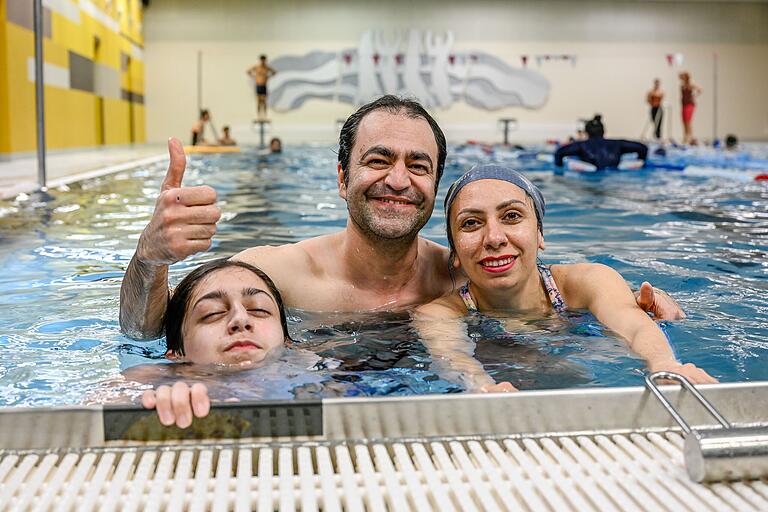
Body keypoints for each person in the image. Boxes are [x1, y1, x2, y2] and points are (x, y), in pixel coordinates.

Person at [120, 96, 684, 344]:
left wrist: (643, 310)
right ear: (342, 178)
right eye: (378, 160)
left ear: (435, 187)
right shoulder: (277, 275)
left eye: (418, 165)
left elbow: (557, 294)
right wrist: (150, 257)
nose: (397, 179)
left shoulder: (466, 274)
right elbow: (149, 335)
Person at [415, 164, 717, 391]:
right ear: (454, 252)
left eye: (511, 216)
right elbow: (452, 356)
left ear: (539, 233)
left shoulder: (587, 281)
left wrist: (664, 364)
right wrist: (483, 388)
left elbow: (634, 326)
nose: (494, 238)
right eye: (471, 223)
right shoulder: (439, 312)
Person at [137, 258, 292, 427]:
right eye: (213, 313)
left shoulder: (321, 368)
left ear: (287, 341)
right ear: (176, 353)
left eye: (259, 309)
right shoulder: (150, 383)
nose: (240, 319)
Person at [554, 115, 648, 170]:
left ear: (586, 132)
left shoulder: (581, 145)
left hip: (591, 177)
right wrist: (641, 164)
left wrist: (559, 170)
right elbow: (643, 148)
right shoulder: (617, 144)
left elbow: (559, 153)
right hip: (614, 176)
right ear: (604, 131)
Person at [247, 55, 277, 119]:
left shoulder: (267, 68)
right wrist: (254, 76)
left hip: (264, 86)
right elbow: (248, 71)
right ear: (260, 60)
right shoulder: (257, 67)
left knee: (264, 102)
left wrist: (268, 77)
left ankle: (265, 115)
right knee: (258, 102)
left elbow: (275, 72)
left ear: (265, 60)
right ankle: (258, 116)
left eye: (264, 60)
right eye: (262, 60)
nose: (263, 62)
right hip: (258, 85)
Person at [679, 72, 702, 145]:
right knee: (684, 121)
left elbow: (700, 89)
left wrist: (694, 96)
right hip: (684, 105)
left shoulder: (690, 84)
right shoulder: (682, 85)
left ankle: (690, 138)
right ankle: (685, 136)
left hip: (689, 104)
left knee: (688, 121)